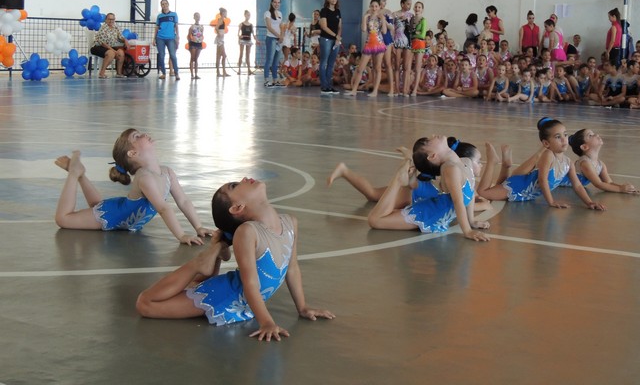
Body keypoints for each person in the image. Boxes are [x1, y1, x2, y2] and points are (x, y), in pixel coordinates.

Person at [135, 177, 335, 341]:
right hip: (225, 295)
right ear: (237, 207)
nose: (245, 178)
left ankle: (213, 256)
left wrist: (302, 307)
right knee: (145, 304)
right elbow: (250, 283)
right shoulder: (247, 232)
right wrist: (266, 322)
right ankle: (199, 263)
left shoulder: (291, 222)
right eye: (234, 185)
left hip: (247, 305)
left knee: (191, 286)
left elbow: (292, 268)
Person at [54, 130, 212, 245]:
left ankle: (81, 175)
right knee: (63, 219)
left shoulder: (167, 172)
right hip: (112, 216)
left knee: (97, 205)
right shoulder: (144, 178)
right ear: (132, 153)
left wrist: (198, 227)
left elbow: (183, 201)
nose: (143, 134)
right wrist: (181, 235)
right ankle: (74, 173)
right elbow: (163, 209)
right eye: (136, 136)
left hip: (120, 211)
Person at [366, 136, 490, 241]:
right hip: (429, 213)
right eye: (429, 141)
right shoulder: (450, 169)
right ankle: (399, 179)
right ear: (432, 156)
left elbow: (470, 191)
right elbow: (458, 202)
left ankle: (409, 166)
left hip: (436, 206)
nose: (434, 135)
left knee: (384, 215)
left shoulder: (466, 161)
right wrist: (467, 231)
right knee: (375, 220)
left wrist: (471, 221)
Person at [477, 118, 606, 210]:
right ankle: (492, 161)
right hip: (518, 187)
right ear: (546, 143)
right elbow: (543, 180)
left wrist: (589, 202)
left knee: (497, 187)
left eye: (565, 135)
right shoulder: (548, 155)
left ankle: (506, 165)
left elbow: (577, 185)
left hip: (526, 193)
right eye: (558, 137)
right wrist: (551, 202)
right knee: (483, 192)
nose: (564, 139)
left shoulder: (568, 162)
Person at [566, 129, 639, 193]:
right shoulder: (585, 163)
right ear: (584, 147)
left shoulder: (601, 164)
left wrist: (624, 188)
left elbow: (609, 182)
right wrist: (620, 189)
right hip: (560, 182)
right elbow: (598, 184)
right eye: (590, 135)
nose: (596, 135)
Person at [346, 0, 387, 97]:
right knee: (360, 68)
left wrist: (383, 20)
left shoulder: (381, 17)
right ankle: (354, 90)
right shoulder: (367, 17)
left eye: (376, 6)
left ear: (379, 7)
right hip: (369, 44)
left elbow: (384, 31)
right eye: (372, 6)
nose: (374, 8)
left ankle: (375, 91)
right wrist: (364, 17)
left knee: (377, 68)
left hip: (379, 44)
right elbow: (364, 29)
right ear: (370, 7)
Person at [91, 13, 129, 78]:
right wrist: (114, 51)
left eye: (113, 19)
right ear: (106, 20)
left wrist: (126, 41)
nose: (111, 21)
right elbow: (103, 43)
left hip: (110, 46)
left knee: (121, 53)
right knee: (111, 53)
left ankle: (119, 73)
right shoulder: (103, 28)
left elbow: (120, 37)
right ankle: (101, 73)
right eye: (109, 19)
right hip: (98, 46)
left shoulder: (116, 27)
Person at [318, 0, 342, 94]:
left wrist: (338, 38)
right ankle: (324, 86)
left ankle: (329, 85)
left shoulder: (338, 11)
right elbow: (324, 26)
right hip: (326, 39)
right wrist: (335, 35)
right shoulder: (324, 11)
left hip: (335, 40)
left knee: (331, 64)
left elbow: (340, 26)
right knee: (324, 62)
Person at [373, 0, 396, 97]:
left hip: (386, 39)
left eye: (386, 1)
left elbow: (392, 27)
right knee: (376, 65)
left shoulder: (388, 12)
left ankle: (391, 89)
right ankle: (375, 88)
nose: (385, 3)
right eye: (383, 1)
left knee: (387, 63)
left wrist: (384, 21)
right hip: (375, 39)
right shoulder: (373, 11)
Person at [153, 0, 180, 80]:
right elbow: (157, 27)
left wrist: (177, 37)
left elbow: (176, 26)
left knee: (173, 55)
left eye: (165, 3)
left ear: (168, 4)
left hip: (171, 38)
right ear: (161, 6)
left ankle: (176, 73)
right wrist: (154, 38)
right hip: (160, 38)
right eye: (163, 4)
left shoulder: (174, 14)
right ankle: (163, 73)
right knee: (161, 56)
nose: (164, 5)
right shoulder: (159, 16)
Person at [393, 0, 414, 96]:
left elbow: (412, 29)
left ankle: (405, 89)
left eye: (410, 4)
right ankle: (397, 89)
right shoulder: (394, 14)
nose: (409, 6)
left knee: (406, 66)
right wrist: (392, 44)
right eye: (408, 4)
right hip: (398, 40)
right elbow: (392, 29)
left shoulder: (411, 15)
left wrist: (407, 21)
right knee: (397, 65)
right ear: (402, 4)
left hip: (407, 41)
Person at [406, 1, 428, 96]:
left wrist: (415, 33)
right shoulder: (411, 19)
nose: (417, 9)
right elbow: (409, 32)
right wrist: (415, 33)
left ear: (422, 9)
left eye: (419, 7)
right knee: (407, 66)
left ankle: (415, 89)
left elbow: (422, 35)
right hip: (411, 43)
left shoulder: (423, 20)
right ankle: (407, 88)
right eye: (416, 7)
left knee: (417, 68)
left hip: (419, 43)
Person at [263, 0, 283, 87]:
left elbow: (281, 26)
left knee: (276, 61)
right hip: (271, 38)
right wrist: (278, 36)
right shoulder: (267, 13)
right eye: (275, 2)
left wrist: (281, 36)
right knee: (269, 59)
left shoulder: (280, 13)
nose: (276, 4)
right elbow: (269, 27)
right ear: (271, 3)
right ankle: (266, 80)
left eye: (278, 2)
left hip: (278, 40)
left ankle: (275, 80)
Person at [238, 10, 258, 75]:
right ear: (245, 15)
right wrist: (239, 37)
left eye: (249, 15)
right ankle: (239, 69)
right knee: (241, 54)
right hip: (242, 40)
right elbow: (238, 34)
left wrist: (257, 40)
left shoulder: (251, 25)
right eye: (247, 15)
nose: (248, 16)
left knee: (248, 55)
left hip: (249, 40)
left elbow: (253, 34)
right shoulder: (241, 24)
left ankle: (249, 70)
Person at [187, 12, 204, 79]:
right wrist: (189, 42)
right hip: (193, 43)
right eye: (196, 16)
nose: (197, 17)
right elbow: (189, 35)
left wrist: (200, 40)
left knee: (196, 58)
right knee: (192, 58)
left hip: (199, 43)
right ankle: (192, 74)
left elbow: (201, 34)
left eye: (198, 16)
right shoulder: (192, 27)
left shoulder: (201, 27)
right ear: (194, 17)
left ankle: (196, 74)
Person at [215, 7, 229, 77]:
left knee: (220, 56)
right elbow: (216, 28)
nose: (226, 14)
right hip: (220, 39)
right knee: (222, 55)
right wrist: (219, 34)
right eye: (226, 12)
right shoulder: (220, 20)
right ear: (223, 13)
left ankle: (222, 71)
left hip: (221, 39)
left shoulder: (222, 20)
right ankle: (220, 72)